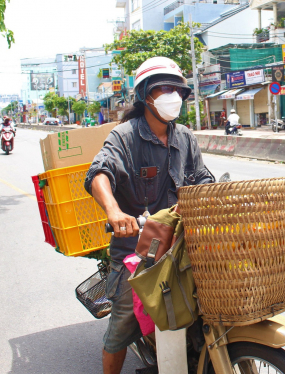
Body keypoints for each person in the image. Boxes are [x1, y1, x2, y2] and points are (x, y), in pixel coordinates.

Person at [84, 56, 214, 374]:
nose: (173, 96)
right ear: (145, 95)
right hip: (137, 252)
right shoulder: (125, 136)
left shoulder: (184, 138)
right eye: (163, 89)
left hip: (182, 245)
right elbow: (99, 173)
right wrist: (114, 212)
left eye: (177, 90)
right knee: (123, 323)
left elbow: (204, 181)